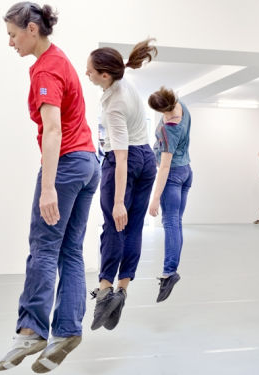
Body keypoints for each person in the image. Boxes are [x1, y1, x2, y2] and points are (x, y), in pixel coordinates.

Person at [0, 2, 100, 373]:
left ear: (31, 29)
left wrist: (49, 187)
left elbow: (53, 129)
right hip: (89, 163)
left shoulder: (45, 69)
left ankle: (31, 329)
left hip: (68, 165)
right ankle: (68, 329)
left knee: (43, 246)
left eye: (12, 34)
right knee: (69, 250)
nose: (10, 43)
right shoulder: (61, 60)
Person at [85, 40, 158, 330]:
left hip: (124, 161)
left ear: (105, 75)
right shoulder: (125, 83)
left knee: (115, 225)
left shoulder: (114, 104)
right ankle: (122, 291)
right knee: (134, 227)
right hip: (148, 161)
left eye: (89, 70)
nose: (86, 73)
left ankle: (104, 293)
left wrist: (117, 202)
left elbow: (122, 154)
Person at [147, 87, 192, 303]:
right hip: (186, 171)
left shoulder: (169, 130)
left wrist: (155, 198)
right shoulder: (181, 105)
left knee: (171, 223)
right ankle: (172, 269)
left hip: (173, 175)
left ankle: (169, 272)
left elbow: (164, 167)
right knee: (177, 222)